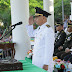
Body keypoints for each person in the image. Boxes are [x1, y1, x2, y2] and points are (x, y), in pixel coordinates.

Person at [26, 7, 55, 72]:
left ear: (43, 18)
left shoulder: (48, 30)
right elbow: (31, 34)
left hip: (43, 62)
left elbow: (49, 48)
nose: (35, 19)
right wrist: (30, 25)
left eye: (37, 17)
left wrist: (46, 63)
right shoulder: (39, 28)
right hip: (36, 60)